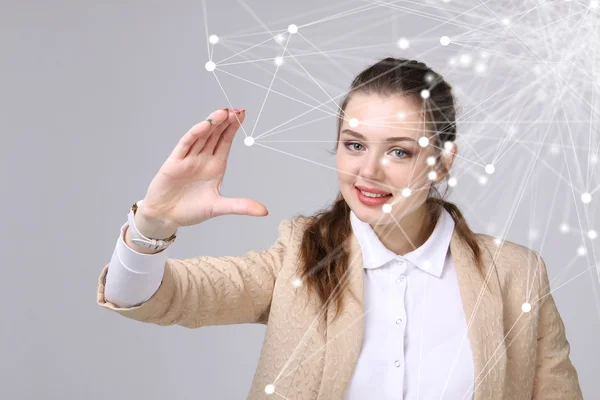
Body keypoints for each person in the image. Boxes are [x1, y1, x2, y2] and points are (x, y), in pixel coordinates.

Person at [96, 57, 582, 399]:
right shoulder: (299, 254)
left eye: (399, 151)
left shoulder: (516, 274)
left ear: (442, 162)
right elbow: (159, 297)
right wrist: (152, 224)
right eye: (353, 145)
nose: (368, 171)